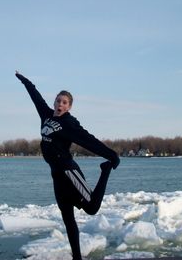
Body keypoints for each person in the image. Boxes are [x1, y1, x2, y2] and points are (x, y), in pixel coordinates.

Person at [15, 71, 120, 260]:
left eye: (64, 102)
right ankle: (77, 258)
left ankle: (104, 171)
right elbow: (35, 97)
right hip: (56, 176)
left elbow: (88, 140)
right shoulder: (46, 115)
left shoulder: (69, 124)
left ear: (69, 106)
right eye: (58, 101)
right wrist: (26, 81)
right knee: (68, 219)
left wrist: (111, 154)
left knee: (92, 208)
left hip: (69, 172)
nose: (59, 104)